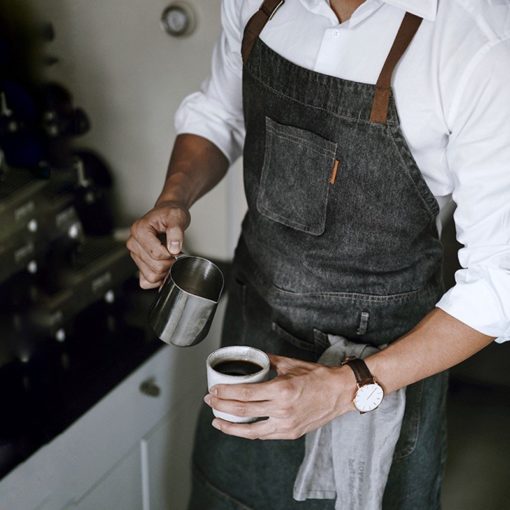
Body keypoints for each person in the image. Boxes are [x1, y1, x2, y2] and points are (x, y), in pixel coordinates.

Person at [127, 1, 510, 508]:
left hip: (382, 366)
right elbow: (219, 112)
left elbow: (499, 279)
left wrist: (348, 387)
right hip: (253, 329)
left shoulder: (478, 39)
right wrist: (174, 197)